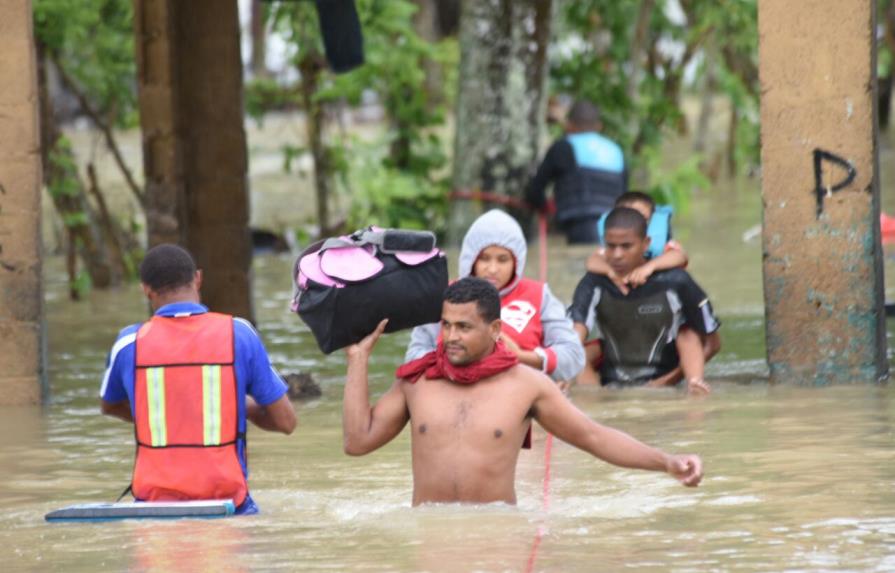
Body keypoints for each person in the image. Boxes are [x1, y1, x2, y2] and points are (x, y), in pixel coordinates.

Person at [344, 277, 704, 506]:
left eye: (464, 327)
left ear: (495, 329)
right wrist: (358, 360)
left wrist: (666, 462)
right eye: (447, 325)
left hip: (498, 531)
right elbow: (357, 442)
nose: (451, 337)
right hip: (429, 532)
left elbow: (594, 437)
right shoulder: (417, 380)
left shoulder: (527, 385)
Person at [99, 244, 296, 515]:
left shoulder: (128, 343)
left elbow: (109, 406)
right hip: (228, 508)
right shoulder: (239, 334)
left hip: (152, 510)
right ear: (198, 278)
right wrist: (241, 408)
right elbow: (286, 422)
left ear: (145, 289)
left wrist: (175, 416)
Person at [406, 209, 584, 386]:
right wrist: (456, 362)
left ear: (516, 262)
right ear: (470, 259)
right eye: (484, 258)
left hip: (520, 396)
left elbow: (573, 355)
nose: (492, 269)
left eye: (502, 259)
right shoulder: (446, 295)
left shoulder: (539, 295)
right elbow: (414, 356)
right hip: (454, 393)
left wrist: (522, 357)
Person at [568, 208, 721, 392]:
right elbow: (576, 331)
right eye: (611, 246)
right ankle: (594, 402)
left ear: (646, 244)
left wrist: (665, 382)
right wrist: (564, 376)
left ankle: (695, 390)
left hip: (669, 380)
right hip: (610, 382)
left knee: (688, 333)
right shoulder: (594, 282)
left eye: (626, 246)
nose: (617, 255)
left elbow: (712, 343)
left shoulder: (675, 281)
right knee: (574, 350)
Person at [526, 100, 627, 244]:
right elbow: (624, 194)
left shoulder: (563, 147)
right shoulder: (616, 151)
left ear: (569, 125)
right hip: (616, 227)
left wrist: (546, 208)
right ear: (599, 126)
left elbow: (535, 192)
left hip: (579, 225)